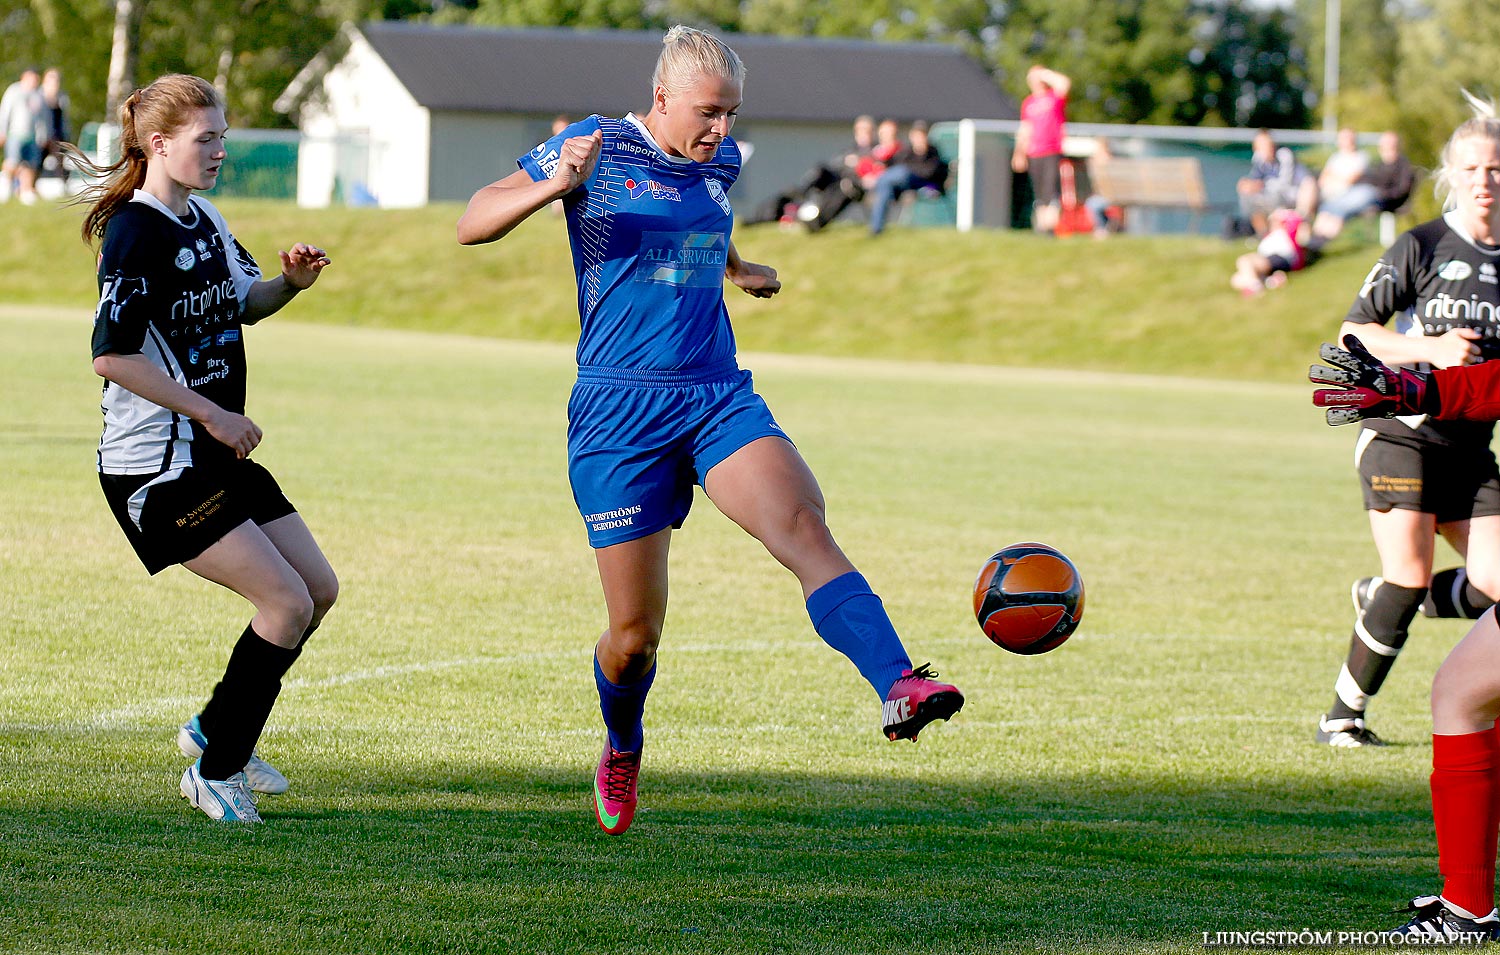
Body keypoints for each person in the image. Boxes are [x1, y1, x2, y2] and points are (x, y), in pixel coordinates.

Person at [456, 25, 963, 836]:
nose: (722, 131)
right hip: (619, 412)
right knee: (633, 637)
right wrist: (551, 187)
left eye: (730, 113)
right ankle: (622, 744)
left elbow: (700, 219)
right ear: (661, 98)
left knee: (802, 526)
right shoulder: (592, 145)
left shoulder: (715, 160)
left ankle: (899, 681)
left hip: (715, 394)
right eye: (707, 112)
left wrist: (736, 268)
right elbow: (472, 223)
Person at [66, 74, 338, 823]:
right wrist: (211, 413)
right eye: (206, 139)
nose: (220, 151)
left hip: (211, 454)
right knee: (281, 602)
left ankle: (218, 728)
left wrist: (290, 283)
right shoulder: (135, 229)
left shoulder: (205, 217)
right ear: (158, 143)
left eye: (222, 137)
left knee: (316, 591)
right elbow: (113, 355)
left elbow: (244, 302)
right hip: (155, 467)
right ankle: (216, 771)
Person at [1311, 93, 1500, 762]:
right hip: (1402, 430)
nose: (1486, 181)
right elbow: (1354, 331)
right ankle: (1342, 716)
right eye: (1474, 169)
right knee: (1411, 569)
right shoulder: (1423, 244)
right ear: (1454, 175)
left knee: (1496, 584)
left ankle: (1388, 598)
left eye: (1497, 169)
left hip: (1471, 447)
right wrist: (1433, 349)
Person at [1312, 131, 1418, 243]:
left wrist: (1381, 193)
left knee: (1342, 208)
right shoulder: (1379, 164)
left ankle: (1319, 242)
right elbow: (1366, 179)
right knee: (1331, 207)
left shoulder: (1403, 165)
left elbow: (1401, 190)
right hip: (1366, 194)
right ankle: (1314, 240)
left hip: (1382, 198)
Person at [1012, 64, 1070, 234]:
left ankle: (1050, 228)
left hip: (1052, 150)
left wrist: (1045, 74)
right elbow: (1025, 130)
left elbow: (1064, 83)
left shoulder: (1054, 97)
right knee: (1039, 193)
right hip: (1034, 152)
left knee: (1051, 190)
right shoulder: (1028, 103)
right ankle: (1042, 228)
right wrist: (1019, 153)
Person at [868, 120, 949, 236]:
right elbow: (893, 165)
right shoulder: (907, 152)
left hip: (920, 184)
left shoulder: (932, 153)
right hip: (902, 184)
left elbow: (929, 172)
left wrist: (911, 169)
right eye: (916, 136)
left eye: (921, 136)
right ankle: (876, 229)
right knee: (885, 187)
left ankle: (876, 227)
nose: (919, 139)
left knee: (897, 174)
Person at [1235, 129, 1318, 236]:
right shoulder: (1259, 159)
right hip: (1274, 195)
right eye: (1262, 145)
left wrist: (1261, 185)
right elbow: (1255, 179)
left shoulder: (1284, 155)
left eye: (1269, 144)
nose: (1267, 148)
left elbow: (1285, 184)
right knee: (1247, 195)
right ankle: (1264, 235)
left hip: (1294, 193)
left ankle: (1295, 234)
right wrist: (1247, 185)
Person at [1229, 208, 1305, 295]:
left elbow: (1298, 225)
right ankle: (1270, 281)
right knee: (1235, 279)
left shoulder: (1284, 233)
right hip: (1269, 261)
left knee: (1244, 260)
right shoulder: (1269, 235)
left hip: (1278, 257)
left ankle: (1256, 287)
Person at [0, 68, 47, 204]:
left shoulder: (38, 95)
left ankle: (26, 191)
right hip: (15, 134)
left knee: (30, 164)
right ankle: (5, 186)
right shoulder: (14, 91)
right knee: (12, 161)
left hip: (31, 136)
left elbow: (42, 118)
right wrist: (2, 131)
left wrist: (42, 136)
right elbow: (5, 112)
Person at [40, 68, 69, 188]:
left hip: (58, 135)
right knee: (36, 162)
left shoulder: (62, 97)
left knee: (61, 161)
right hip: (43, 135)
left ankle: (63, 185)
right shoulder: (39, 96)